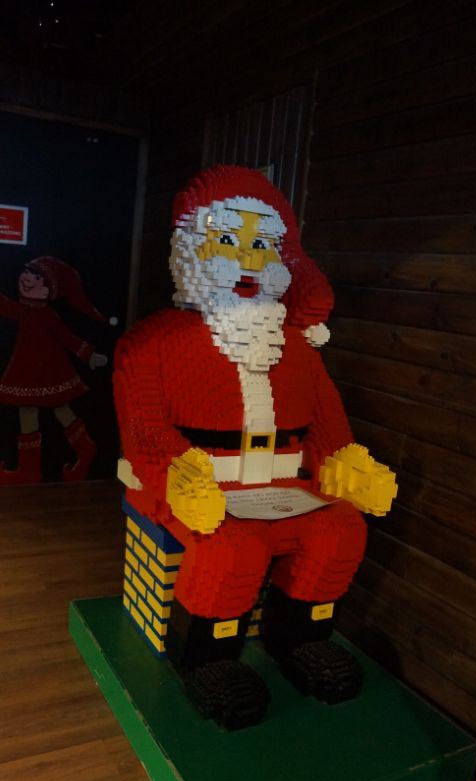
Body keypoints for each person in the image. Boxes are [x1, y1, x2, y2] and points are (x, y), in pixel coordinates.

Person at [114, 165, 397, 729]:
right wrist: (179, 473)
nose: (247, 258)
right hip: (193, 483)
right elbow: (144, 428)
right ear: (189, 248)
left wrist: (346, 464)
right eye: (227, 239)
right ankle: (208, 658)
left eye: (262, 245)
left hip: (284, 485)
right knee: (231, 547)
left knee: (340, 529)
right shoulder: (151, 343)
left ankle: (300, 638)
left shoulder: (297, 349)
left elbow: (327, 425)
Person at [0, 256, 108, 484]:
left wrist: (89, 355)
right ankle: (30, 469)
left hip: (50, 370)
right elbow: (5, 306)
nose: (27, 278)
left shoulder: (48, 315)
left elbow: (67, 338)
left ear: (47, 291)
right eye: (26, 272)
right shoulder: (23, 310)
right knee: (30, 411)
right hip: (27, 370)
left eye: (36, 277)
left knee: (59, 409)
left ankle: (84, 449)